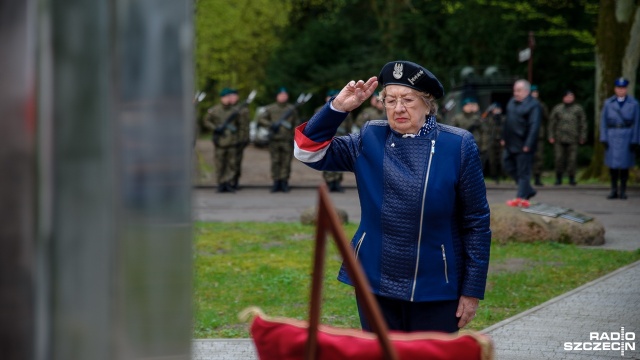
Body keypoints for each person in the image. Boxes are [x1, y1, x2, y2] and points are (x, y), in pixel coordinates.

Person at [294, 60, 491, 333]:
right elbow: (307, 151)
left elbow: (476, 221)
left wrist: (471, 290)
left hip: (436, 283)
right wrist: (338, 107)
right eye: (390, 100)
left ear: (427, 103)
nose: (398, 108)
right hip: (375, 279)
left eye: (408, 99)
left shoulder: (457, 144)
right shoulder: (370, 137)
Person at [501, 79, 541, 206]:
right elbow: (507, 122)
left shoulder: (534, 105)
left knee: (523, 172)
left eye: (518, 91)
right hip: (510, 143)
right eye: (514, 90)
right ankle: (527, 189)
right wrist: (503, 137)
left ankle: (521, 198)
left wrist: (528, 144)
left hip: (524, 144)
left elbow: (534, 126)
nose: (515, 93)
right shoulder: (511, 102)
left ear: (526, 91)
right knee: (507, 165)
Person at [599, 77, 640, 200]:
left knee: (625, 165)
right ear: (615, 89)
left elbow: (637, 123)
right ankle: (613, 190)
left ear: (626, 89)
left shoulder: (634, 103)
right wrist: (604, 137)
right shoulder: (608, 103)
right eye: (618, 88)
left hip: (627, 134)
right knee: (613, 166)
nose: (621, 90)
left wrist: (635, 140)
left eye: (623, 88)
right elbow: (603, 121)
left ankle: (623, 190)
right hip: (612, 134)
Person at [203, 87, 248, 193]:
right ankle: (221, 183)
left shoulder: (235, 111)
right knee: (220, 164)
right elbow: (206, 121)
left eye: (229, 97)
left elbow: (241, 125)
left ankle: (228, 183)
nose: (228, 99)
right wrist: (215, 128)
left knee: (231, 164)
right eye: (225, 97)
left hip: (233, 141)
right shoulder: (215, 110)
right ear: (221, 98)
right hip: (220, 141)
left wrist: (241, 139)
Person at [258, 87, 300, 193]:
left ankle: (284, 182)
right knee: (275, 161)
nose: (283, 97)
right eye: (281, 95)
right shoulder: (270, 108)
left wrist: (294, 136)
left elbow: (297, 124)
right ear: (277, 96)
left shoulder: (292, 109)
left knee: (286, 162)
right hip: (274, 139)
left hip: (287, 140)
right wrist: (271, 125)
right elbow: (261, 119)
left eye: (285, 95)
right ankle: (276, 182)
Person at [316, 90, 353, 192]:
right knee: (327, 159)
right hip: (326, 139)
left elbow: (348, 126)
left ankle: (337, 182)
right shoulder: (320, 110)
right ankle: (329, 182)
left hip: (340, 139)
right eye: (330, 96)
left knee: (339, 159)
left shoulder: (346, 110)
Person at [548, 90, 587, 186]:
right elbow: (551, 123)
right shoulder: (558, 108)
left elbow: (583, 123)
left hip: (573, 138)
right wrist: (551, 136)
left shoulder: (578, 109)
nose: (569, 99)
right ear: (563, 98)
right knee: (559, 158)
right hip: (559, 138)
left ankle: (572, 178)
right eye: (567, 97)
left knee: (572, 160)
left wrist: (582, 136)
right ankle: (558, 178)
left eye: (571, 97)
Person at [450, 98, 490, 173]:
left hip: (475, 145)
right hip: (461, 146)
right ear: (463, 107)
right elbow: (452, 132)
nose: (469, 107)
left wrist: (484, 146)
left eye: (470, 105)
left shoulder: (477, 118)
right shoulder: (457, 118)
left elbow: (484, 132)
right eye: (467, 105)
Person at [530, 85, 549, 186]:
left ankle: (537, 177)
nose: (534, 94)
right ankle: (526, 178)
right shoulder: (525, 104)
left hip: (539, 134)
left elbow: (546, 117)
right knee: (526, 157)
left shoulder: (541, 105)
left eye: (536, 92)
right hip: (527, 135)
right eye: (533, 92)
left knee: (539, 157)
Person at [485, 103, 505, 183]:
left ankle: (503, 174)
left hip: (501, 140)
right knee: (492, 159)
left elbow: (506, 129)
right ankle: (494, 175)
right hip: (491, 140)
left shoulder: (503, 119)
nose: (497, 111)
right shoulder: (489, 119)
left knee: (501, 159)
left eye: (498, 109)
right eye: (495, 110)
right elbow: (486, 127)